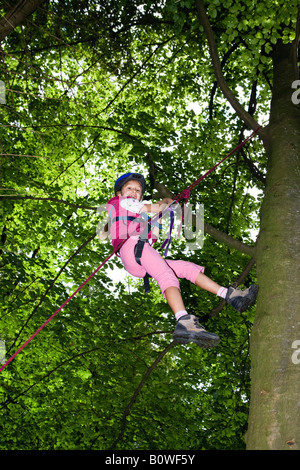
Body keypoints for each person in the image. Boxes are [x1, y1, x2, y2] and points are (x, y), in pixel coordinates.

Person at [105, 172, 258, 348]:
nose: (134, 192)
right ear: (119, 193)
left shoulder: (139, 214)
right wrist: (163, 204)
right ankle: (183, 320)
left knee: (186, 268)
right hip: (132, 247)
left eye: (138, 190)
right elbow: (151, 207)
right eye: (129, 188)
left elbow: (153, 236)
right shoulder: (118, 203)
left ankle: (230, 295)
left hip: (140, 255)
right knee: (166, 276)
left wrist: (161, 214)